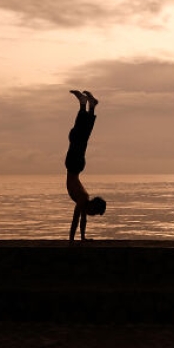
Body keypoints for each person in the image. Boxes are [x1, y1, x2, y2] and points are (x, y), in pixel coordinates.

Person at [65, 90, 106, 244]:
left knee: (79, 136)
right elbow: (76, 220)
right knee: (78, 136)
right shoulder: (83, 199)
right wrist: (71, 241)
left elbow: (82, 220)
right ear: (93, 206)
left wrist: (82, 238)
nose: (90, 215)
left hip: (76, 165)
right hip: (74, 165)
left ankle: (89, 106)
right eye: (93, 213)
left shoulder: (84, 200)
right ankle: (85, 105)